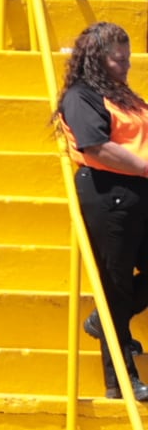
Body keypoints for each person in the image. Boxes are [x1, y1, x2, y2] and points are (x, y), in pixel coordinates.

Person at [61, 22, 148, 394]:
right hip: (108, 194)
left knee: (119, 295)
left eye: (128, 58)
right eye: (119, 59)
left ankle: (106, 320)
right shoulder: (82, 96)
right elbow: (94, 147)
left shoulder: (124, 95)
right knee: (115, 284)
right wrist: (144, 166)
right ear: (97, 59)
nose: (126, 64)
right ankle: (122, 381)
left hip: (138, 194)